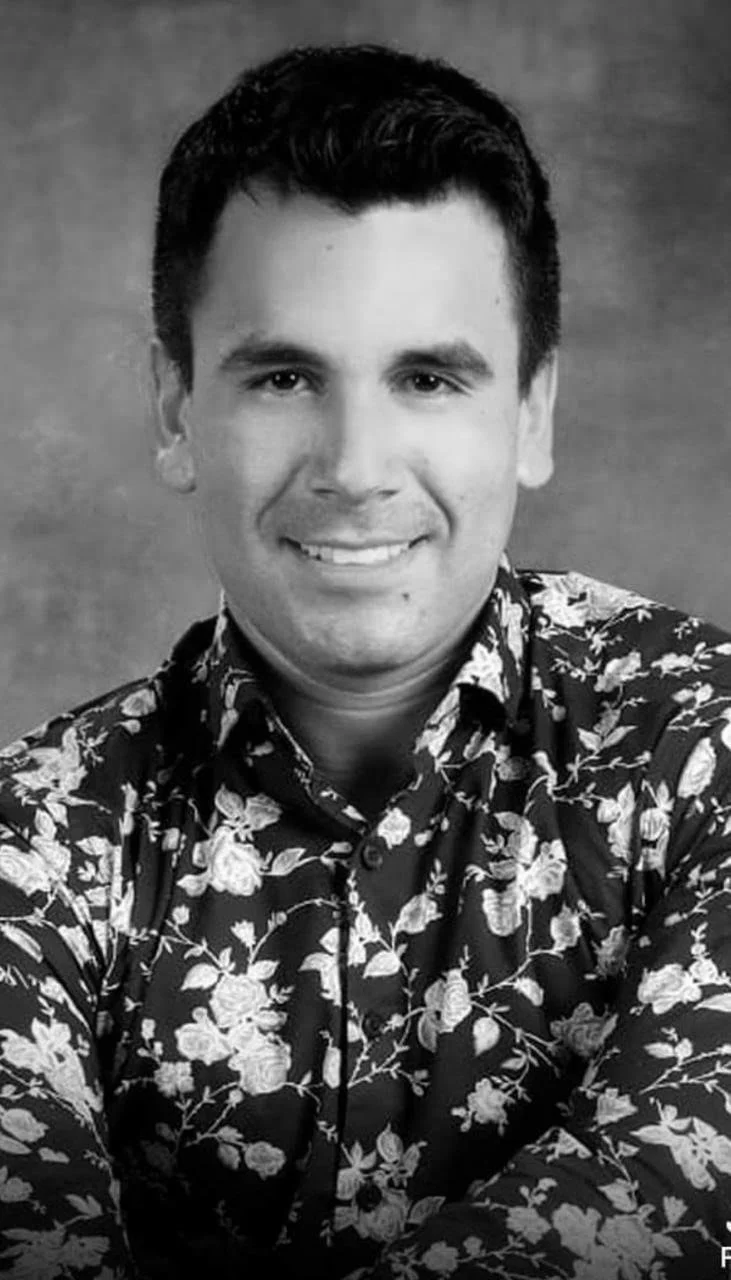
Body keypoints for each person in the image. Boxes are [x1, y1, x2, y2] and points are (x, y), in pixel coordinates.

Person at [0, 42, 729, 1280]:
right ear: (177, 410)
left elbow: (666, 1204)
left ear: (531, 412)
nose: (353, 466)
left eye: (427, 377)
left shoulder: (704, 747)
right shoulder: (33, 841)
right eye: (284, 375)